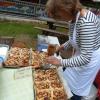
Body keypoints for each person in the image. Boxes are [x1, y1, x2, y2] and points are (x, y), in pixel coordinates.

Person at [45, 0, 100, 100]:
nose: (59, 18)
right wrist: (62, 47)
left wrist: (60, 61)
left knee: (75, 89)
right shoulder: (73, 18)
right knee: (67, 81)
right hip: (82, 54)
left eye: (59, 15)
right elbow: (74, 39)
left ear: (66, 9)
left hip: (89, 59)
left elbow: (85, 58)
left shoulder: (86, 23)